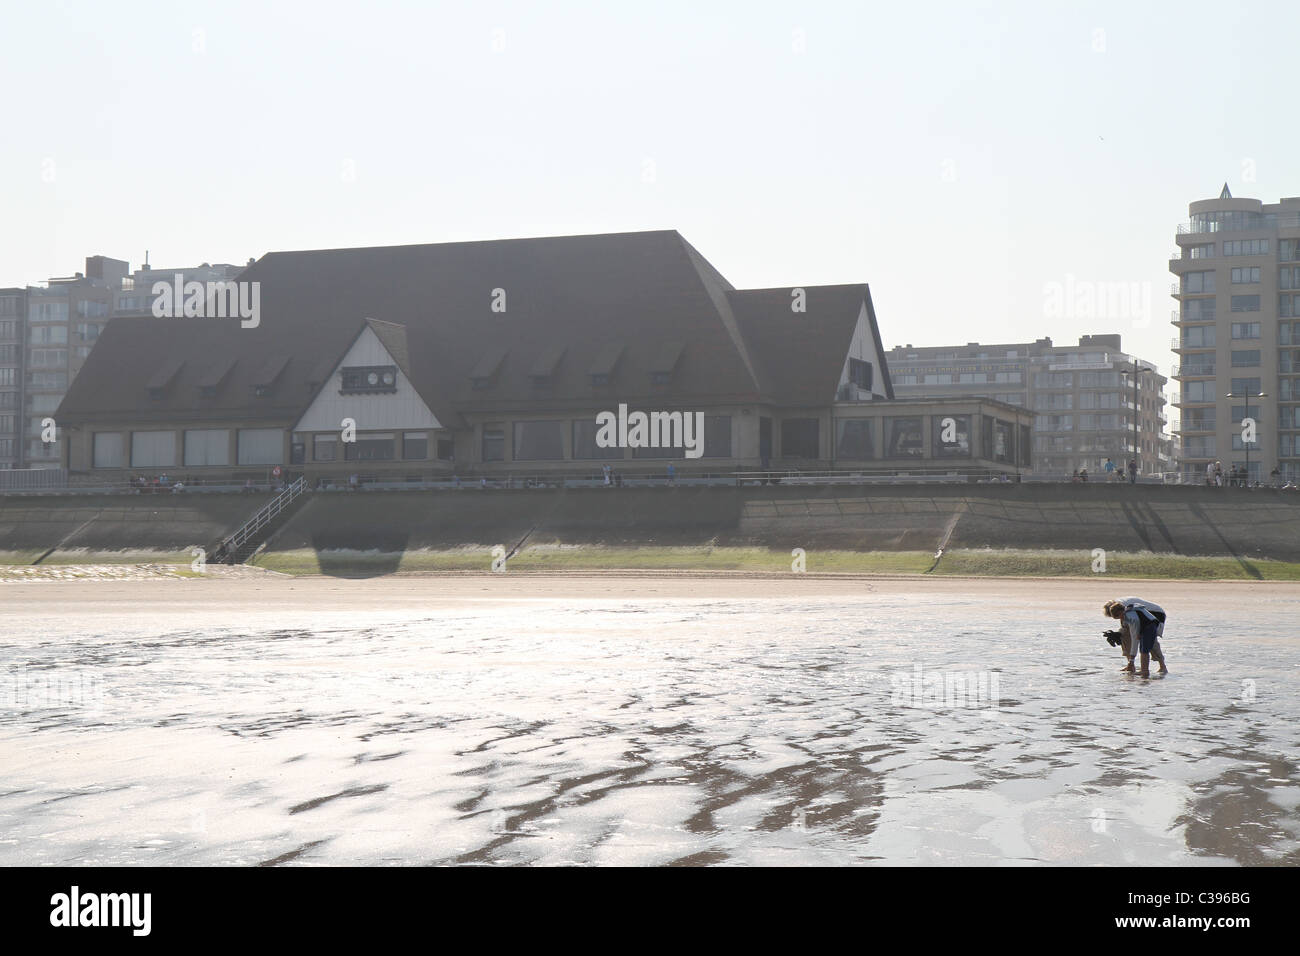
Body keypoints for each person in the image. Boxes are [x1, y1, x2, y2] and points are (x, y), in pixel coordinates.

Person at [1104, 597, 1169, 678]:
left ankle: (1162, 666)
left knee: (1150, 642)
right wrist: (1119, 634)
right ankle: (1131, 666)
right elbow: (1126, 628)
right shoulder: (1122, 610)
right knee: (1124, 636)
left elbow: (1134, 635)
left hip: (1156, 614)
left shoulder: (1128, 611)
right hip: (1142, 618)